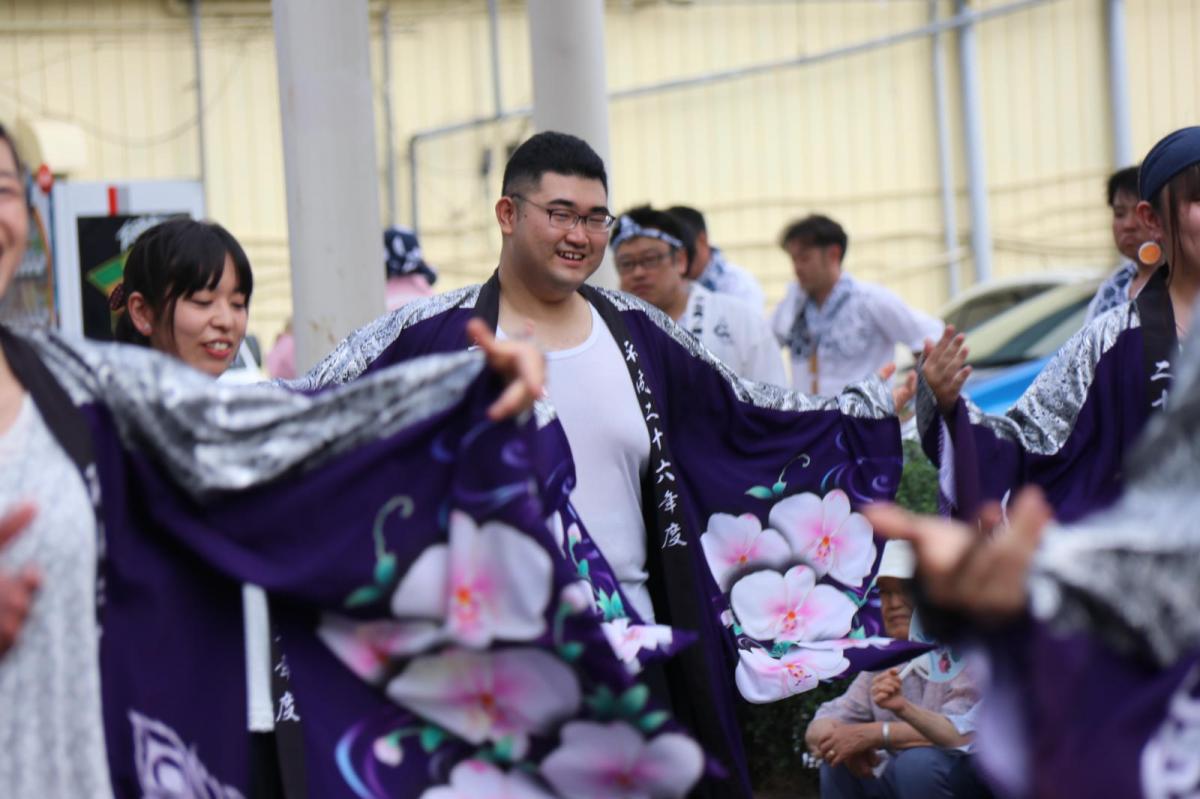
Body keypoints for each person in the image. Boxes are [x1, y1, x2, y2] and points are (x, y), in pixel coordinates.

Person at [6, 122, 704, 799]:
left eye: (238, 301)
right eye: (201, 300)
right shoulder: (95, 390)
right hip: (129, 703)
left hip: (306, 688)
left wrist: (466, 393)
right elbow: (328, 413)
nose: (224, 319)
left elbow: (327, 431)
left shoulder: (638, 334)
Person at [293, 131, 911, 797]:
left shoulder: (639, 334)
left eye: (595, 218)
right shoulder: (426, 335)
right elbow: (302, 420)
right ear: (509, 214)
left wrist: (873, 404)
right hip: (485, 670)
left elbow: (748, 415)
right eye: (560, 213)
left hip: (633, 654)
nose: (580, 235)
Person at [918, 126, 1200, 524]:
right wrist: (949, 407)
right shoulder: (1111, 341)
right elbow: (1024, 447)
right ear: (1151, 220)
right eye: (1199, 198)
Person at [806, 541, 985, 799]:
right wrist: (836, 740)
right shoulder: (887, 658)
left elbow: (959, 732)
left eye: (906, 590)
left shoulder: (963, 654)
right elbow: (827, 718)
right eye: (886, 593)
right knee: (839, 760)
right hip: (904, 779)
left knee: (916, 765)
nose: (893, 603)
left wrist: (872, 735)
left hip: (966, 780)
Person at [771, 214, 942, 396]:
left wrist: (911, 398)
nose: (797, 268)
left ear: (833, 254)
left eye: (804, 258)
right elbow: (762, 345)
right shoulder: (792, 306)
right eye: (793, 259)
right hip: (809, 421)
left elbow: (928, 337)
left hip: (862, 422)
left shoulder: (870, 300)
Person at [614, 206, 786, 384]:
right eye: (626, 264)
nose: (638, 273)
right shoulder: (611, 329)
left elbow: (775, 398)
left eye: (650, 259)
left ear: (680, 260)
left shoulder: (737, 318)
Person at [1084, 165, 1160, 323]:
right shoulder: (1111, 290)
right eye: (1119, 214)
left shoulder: (1184, 284)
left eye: (1141, 213)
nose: (1128, 225)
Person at [667, 204, 765, 311]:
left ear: (702, 240)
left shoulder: (738, 285)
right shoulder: (664, 286)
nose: (679, 260)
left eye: (682, 251)